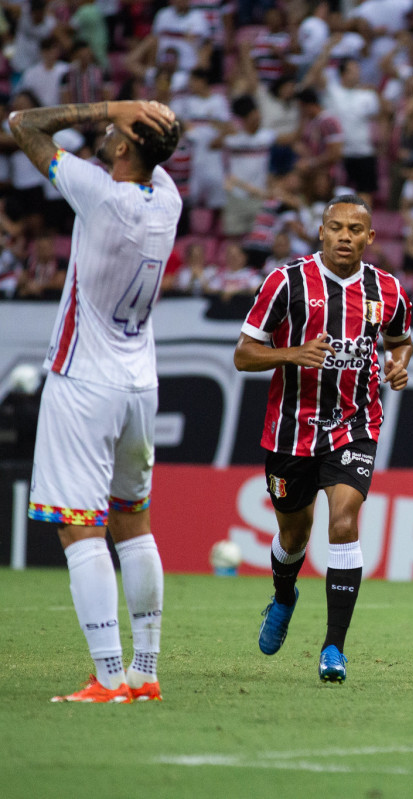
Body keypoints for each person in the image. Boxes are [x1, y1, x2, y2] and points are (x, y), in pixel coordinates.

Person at [12, 99, 182, 702]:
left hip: (85, 380)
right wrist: (142, 121)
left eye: (111, 133)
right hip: (141, 383)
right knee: (133, 524)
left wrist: (111, 105)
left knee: (80, 531)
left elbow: (22, 124)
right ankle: (146, 670)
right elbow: (154, 152)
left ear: (120, 149)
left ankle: (108, 677)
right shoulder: (168, 199)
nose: (104, 134)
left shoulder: (100, 195)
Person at [233, 195, 413, 684]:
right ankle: (285, 594)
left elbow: (400, 341)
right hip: (290, 433)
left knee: (344, 520)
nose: (345, 237)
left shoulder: (388, 290)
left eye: (356, 229)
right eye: (336, 227)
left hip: (355, 426)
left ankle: (334, 647)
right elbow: (244, 356)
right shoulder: (285, 282)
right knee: (293, 536)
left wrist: (399, 365)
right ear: (321, 232)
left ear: (370, 237)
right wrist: (293, 353)